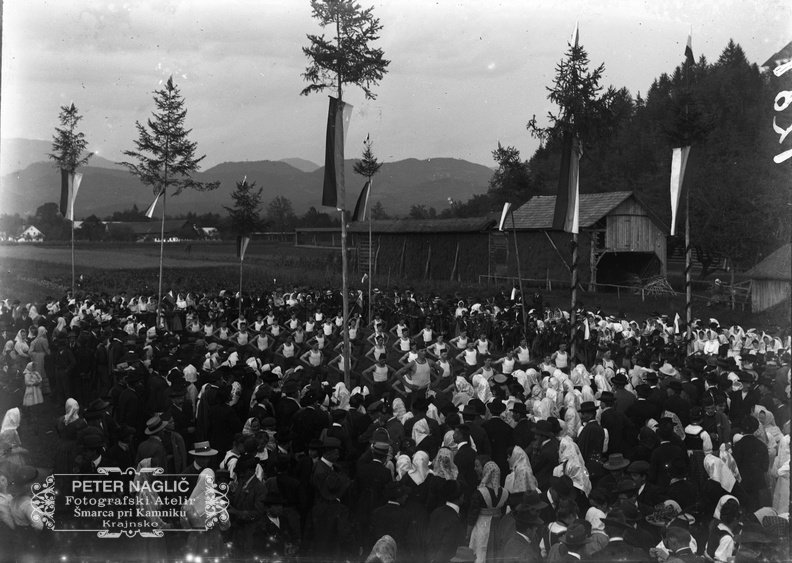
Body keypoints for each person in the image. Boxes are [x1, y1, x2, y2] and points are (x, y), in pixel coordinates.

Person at [467, 461, 509, 563]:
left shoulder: (480, 492)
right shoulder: (505, 493)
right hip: (498, 526)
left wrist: (468, 533)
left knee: (480, 552)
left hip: (482, 526)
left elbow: (473, 515)